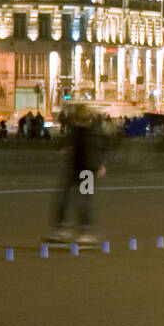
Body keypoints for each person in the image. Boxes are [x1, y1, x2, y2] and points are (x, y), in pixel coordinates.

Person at [48, 104, 105, 244]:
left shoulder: (94, 131)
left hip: (87, 170)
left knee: (84, 201)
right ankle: (61, 230)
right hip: (74, 168)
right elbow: (70, 141)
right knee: (64, 198)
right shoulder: (78, 129)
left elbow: (99, 148)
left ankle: (86, 230)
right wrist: (64, 147)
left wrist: (99, 165)